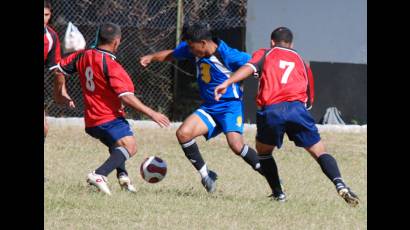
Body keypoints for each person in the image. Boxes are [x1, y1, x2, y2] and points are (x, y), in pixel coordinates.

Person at [214, 27, 359, 206]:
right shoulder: (302, 62)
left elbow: (249, 68)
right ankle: (339, 183)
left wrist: (228, 81)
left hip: (272, 110)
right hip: (298, 110)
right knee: (320, 151)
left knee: (264, 152)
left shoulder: (265, 53)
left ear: (272, 42)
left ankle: (278, 193)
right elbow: (308, 98)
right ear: (292, 44)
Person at [140, 21, 264, 193]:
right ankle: (206, 175)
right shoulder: (194, 48)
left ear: (203, 43)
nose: (189, 51)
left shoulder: (228, 55)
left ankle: (271, 176)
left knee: (236, 145)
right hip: (210, 108)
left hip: (230, 107)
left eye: (192, 47)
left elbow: (254, 64)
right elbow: (172, 54)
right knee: (183, 133)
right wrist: (152, 57)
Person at [54, 22, 170, 195]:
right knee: (130, 147)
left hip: (91, 121)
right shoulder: (111, 65)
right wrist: (152, 113)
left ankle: (124, 177)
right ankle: (99, 174)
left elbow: (58, 70)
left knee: (117, 146)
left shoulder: (82, 55)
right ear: (117, 42)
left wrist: (60, 93)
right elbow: (126, 97)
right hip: (108, 118)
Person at [44, 0, 74, 144]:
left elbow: (57, 69)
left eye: (46, 15)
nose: (43, 18)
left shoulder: (51, 37)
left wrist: (63, 92)